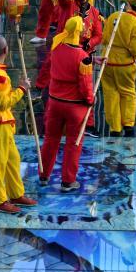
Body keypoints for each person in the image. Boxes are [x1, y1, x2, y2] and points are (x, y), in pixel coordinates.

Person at [0, 35, 38, 213]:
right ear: (5, 51)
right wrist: (21, 89)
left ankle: (16, 193)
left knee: (12, 159)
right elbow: (4, 103)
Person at [38, 16, 95, 191]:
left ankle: (44, 175)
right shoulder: (82, 57)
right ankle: (68, 181)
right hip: (74, 106)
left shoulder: (56, 47)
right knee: (73, 143)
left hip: (54, 103)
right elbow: (85, 85)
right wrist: (91, 99)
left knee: (50, 140)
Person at [100, 0, 136, 137]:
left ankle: (115, 127)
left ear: (128, 5)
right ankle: (128, 124)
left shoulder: (114, 16)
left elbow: (104, 39)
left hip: (107, 59)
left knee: (110, 93)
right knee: (127, 92)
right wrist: (135, 55)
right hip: (125, 64)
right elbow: (134, 48)